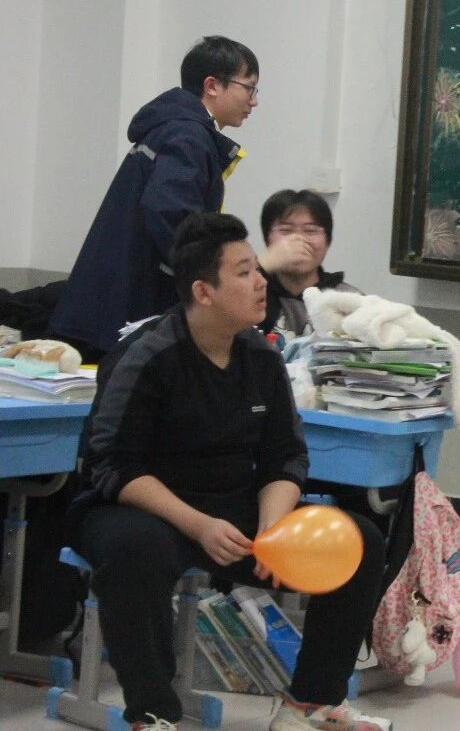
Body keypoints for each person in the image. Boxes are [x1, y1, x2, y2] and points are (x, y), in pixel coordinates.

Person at [67, 212, 390, 731]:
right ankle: (153, 715)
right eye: (244, 272)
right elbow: (112, 465)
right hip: (140, 508)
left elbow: (286, 455)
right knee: (137, 549)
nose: (261, 281)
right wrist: (198, 525)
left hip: (232, 510)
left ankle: (310, 705)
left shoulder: (259, 358)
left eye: (257, 268)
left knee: (362, 540)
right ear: (203, 291)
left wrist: (273, 529)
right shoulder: (147, 355)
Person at [48, 36, 260, 362]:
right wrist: (211, 277)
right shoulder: (188, 136)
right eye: (249, 88)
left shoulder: (172, 128)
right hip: (128, 307)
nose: (254, 101)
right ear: (212, 86)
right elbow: (172, 214)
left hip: (110, 301)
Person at [257, 189, 360, 341]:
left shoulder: (347, 299)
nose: (298, 240)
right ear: (267, 239)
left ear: (327, 242)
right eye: (286, 230)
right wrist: (263, 263)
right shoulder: (252, 293)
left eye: (310, 231)